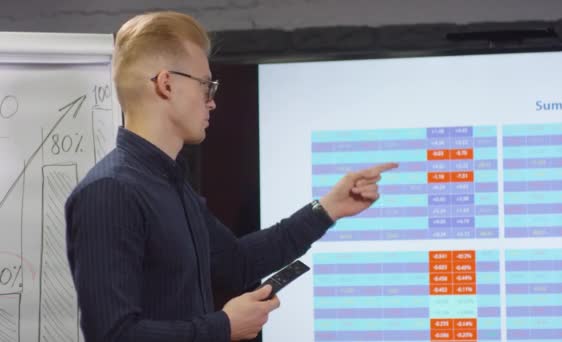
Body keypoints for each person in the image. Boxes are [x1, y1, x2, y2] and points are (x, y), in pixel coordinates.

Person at [65, 10, 397, 342]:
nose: (212, 103)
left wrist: (327, 209)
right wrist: (224, 327)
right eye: (206, 86)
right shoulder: (109, 191)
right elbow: (113, 335)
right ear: (166, 84)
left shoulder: (172, 184)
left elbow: (237, 263)